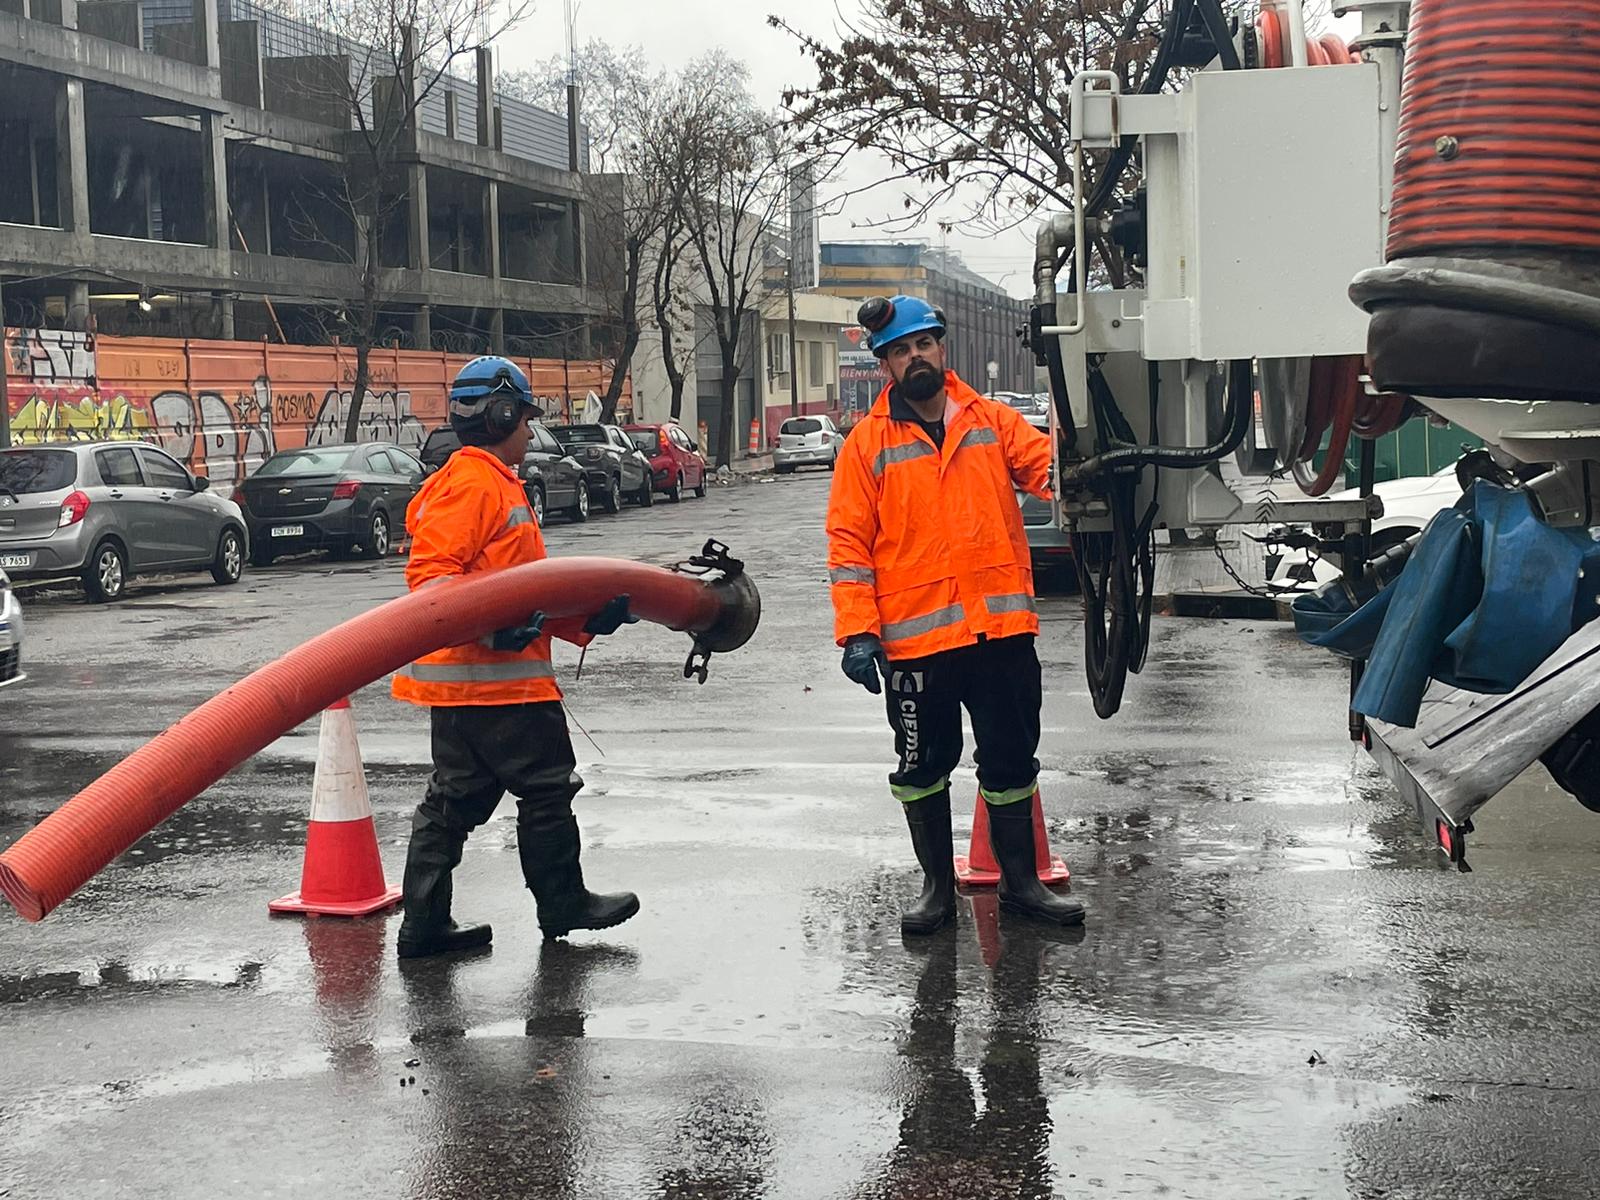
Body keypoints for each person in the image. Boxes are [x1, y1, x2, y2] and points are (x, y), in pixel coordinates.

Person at [825, 296, 1085, 935]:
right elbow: (849, 546)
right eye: (898, 351)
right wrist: (857, 630)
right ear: (885, 364)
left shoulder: (992, 422)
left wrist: (1088, 458)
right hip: (916, 650)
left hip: (999, 635)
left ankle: (1021, 884)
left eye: (922, 345)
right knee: (921, 768)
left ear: (942, 348)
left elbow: (1053, 471)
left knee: (1011, 761)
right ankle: (937, 889)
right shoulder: (866, 446)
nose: (913, 358)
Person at [392, 355, 638, 959]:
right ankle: (563, 904)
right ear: (500, 415)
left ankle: (424, 926)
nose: (530, 431)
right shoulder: (475, 483)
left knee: (453, 804)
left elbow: (520, 594)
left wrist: (584, 623)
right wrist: (496, 630)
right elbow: (433, 584)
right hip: (500, 689)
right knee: (547, 790)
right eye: (524, 417)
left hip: (466, 689)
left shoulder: (482, 482)